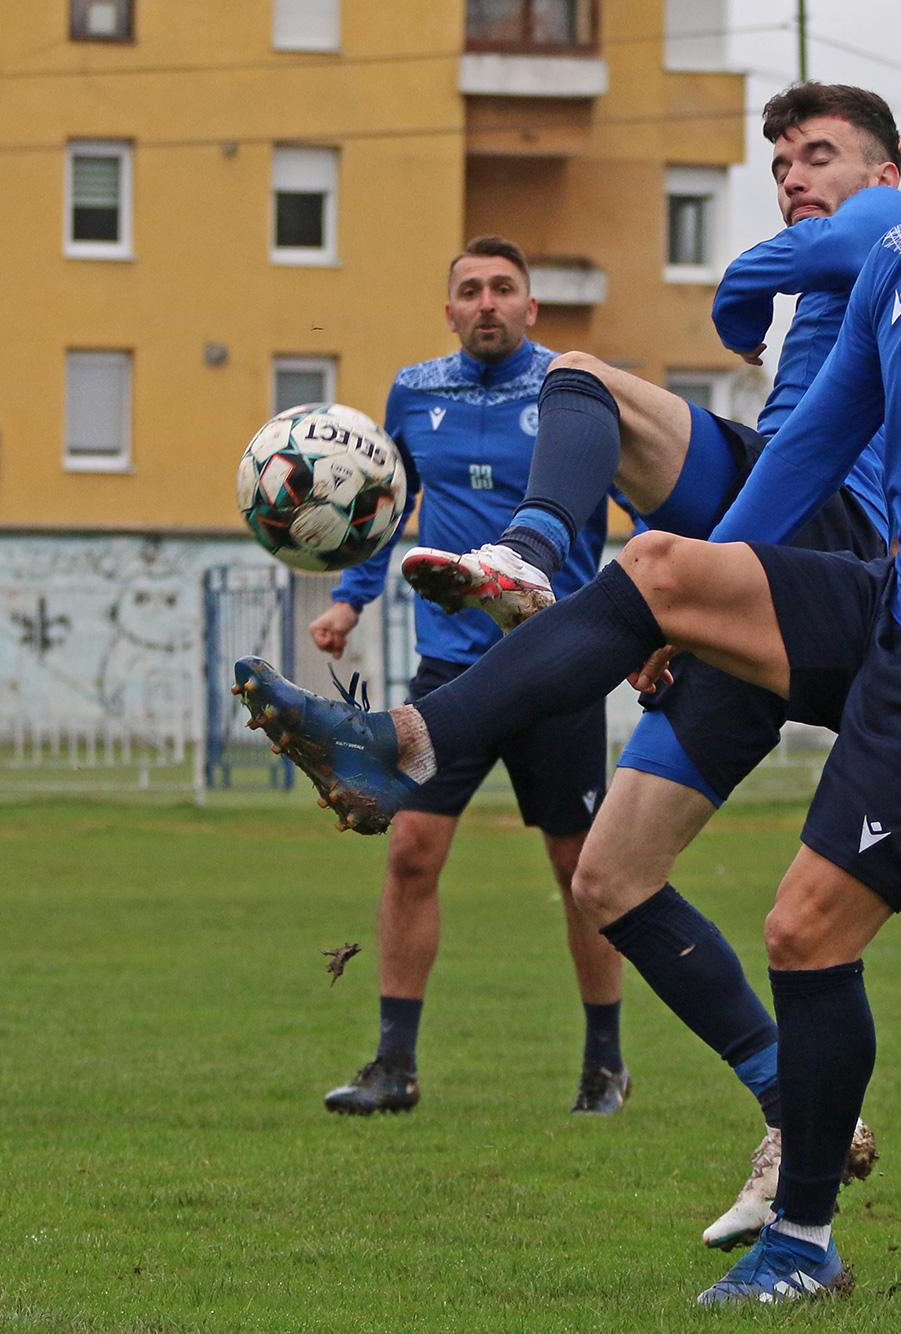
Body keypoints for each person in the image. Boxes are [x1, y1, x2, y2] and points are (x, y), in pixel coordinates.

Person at [230, 22, 901, 1306]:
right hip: (889, 599)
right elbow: (815, 434)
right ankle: (408, 744)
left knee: (802, 931)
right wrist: (698, 593)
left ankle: (803, 1242)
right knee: (663, 571)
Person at [400, 82, 901, 1250]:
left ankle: (534, 565)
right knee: (609, 878)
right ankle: (793, 1104)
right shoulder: (834, 259)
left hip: (824, 536)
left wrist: (749, 284)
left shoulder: (891, 227)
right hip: (754, 525)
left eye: (815, 153)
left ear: (885, 169)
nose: (791, 174)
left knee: (577, 373)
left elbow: (759, 276)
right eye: (777, 158)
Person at [303, 236, 629, 1118]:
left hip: (557, 662)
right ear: (449, 310)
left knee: (580, 870)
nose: (487, 302)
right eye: (470, 290)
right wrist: (349, 601)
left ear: (532, 308)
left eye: (504, 289)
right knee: (411, 853)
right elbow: (381, 511)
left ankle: (605, 1064)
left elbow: (650, 504)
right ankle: (393, 1068)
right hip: (449, 668)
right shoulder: (414, 392)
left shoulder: (573, 391)